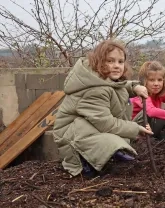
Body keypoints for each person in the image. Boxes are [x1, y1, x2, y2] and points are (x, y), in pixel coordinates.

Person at [53, 40, 153, 177]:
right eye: (110, 61)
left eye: (120, 61)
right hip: (71, 137)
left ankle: (107, 157)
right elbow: (106, 124)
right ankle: (85, 163)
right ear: (99, 62)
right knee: (110, 139)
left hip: (85, 131)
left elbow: (117, 87)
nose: (116, 66)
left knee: (113, 139)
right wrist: (135, 129)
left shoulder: (100, 79)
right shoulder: (95, 90)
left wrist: (134, 87)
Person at [131, 61, 165, 141]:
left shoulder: (162, 93)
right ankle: (141, 140)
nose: (156, 84)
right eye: (151, 80)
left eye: (159, 80)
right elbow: (151, 111)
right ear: (144, 81)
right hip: (136, 128)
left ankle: (160, 139)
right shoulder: (140, 94)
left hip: (151, 126)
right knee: (147, 112)